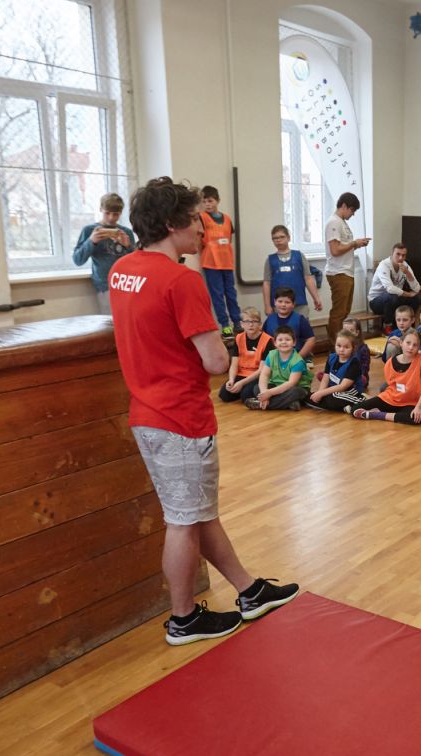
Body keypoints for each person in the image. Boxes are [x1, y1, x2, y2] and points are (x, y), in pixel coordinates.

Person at [108, 176, 298, 646]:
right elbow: (215, 362)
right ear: (173, 223)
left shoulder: (122, 270)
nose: (204, 229)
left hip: (146, 414)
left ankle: (249, 591)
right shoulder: (182, 280)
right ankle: (184, 618)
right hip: (180, 418)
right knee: (182, 521)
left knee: (195, 513)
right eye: (195, 220)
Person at [73, 192, 135, 315]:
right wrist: (91, 241)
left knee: (129, 318)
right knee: (109, 321)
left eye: (116, 214)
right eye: (107, 213)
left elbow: (137, 261)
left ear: (121, 213)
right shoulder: (90, 230)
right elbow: (78, 260)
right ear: (100, 209)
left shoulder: (126, 232)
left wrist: (128, 246)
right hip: (104, 285)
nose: (111, 218)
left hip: (127, 284)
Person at [352, 330, 421, 425]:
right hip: (390, 399)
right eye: (408, 343)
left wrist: (418, 407)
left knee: (415, 418)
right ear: (401, 343)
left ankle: (377, 414)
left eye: (415, 345)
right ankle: (384, 412)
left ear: (419, 347)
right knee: (354, 409)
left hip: (410, 402)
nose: (411, 347)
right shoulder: (391, 362)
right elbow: (391, 385)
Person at [325, 191, 370, 340]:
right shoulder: (334, 222)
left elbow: (343, 248)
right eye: (352, 210)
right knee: (339, 313)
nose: (353, 214)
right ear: (344, 206)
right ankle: (335, 345)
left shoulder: (342, 222)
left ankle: (341, 343)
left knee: (344, 312)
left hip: (346, 271)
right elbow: (335, 250)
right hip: (338, 272)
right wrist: (354, 243)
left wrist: (357, 244)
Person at [198, 186, 240, 335]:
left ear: (217, 201)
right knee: (217, 294)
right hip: (211, 262)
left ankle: (237, 322)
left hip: (226, 261)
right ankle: (225, 324)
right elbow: (199, 240)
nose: (207, 204)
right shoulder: (201, 217)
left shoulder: (227, 219)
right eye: (204, 201)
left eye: (210, 201)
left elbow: (229, 239)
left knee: (231, 293)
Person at [245, 326, 311, 411]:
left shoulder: (298, 361)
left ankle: (260, 404)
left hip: (295, 388)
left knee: (296, 392)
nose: (284, 342)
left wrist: (269, 393)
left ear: (294, 342)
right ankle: (288, 404)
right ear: (275, 343)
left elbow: (291, 383)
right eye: (280, 340)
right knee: (257, 388)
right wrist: (264, 392)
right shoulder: (271, 355)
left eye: (287, 339)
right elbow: (264, 375)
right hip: (276, 385)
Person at [263, 225, 322, 317]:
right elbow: (267, 283)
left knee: (301, 325)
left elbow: (308, 279)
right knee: (281, 326)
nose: (278, 240)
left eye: (282, 237)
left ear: (288, 238)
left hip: (299, 303)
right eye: (275, 238)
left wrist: (316, 298)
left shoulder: (299, 256)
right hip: (279, 305)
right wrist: (267, 305)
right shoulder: (270, 260)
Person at [218, 308, 272, 402]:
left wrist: (241, 383)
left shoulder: (268, 340)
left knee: (245, 396)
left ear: (260, 324)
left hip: (258, 375)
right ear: (242, 324)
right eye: (247, 321)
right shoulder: (239, 338)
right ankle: (242, 390)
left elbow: (261, 370)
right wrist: (231, 380)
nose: (250, 325)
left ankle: (249, 391)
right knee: (224, 395)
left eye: (254, 321)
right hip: (242, 373)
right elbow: (234, 364)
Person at [308, 329, 366, 413]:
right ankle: (345, 408)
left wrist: (321, 394)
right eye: (339, 346)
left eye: (346, 347)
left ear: (353, 348)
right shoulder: (331, 357)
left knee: (332, 396)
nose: (341, 349)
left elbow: (343, 386)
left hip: (350, 392)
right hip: (334, 391)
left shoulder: (354, 362)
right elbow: (325, 379)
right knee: (310, 396)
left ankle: (361, 402)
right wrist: (320, 392)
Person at [368, 242, 421, 328]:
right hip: (376, 301)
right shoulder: (384, 265)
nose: (400, 258)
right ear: (392, 254)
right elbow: (390, 288)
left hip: (396, 298)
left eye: (403, 255)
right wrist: (408, 294)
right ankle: (388, 326)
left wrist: (407, 273)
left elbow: (417, 288)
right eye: (398, 254)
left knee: (416, 298)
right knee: (391, 296)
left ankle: (407, 325)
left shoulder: (405, 265)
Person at [262, 289, 316, 359]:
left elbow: (311, 339)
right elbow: (262, 339)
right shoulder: (269, 320)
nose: (283, 305)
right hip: (274, 359)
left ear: (293, 304)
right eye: (280, 301)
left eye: (287, 302)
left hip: (297, 357)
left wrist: (298, 358)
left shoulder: (300, 319)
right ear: (275, 302)